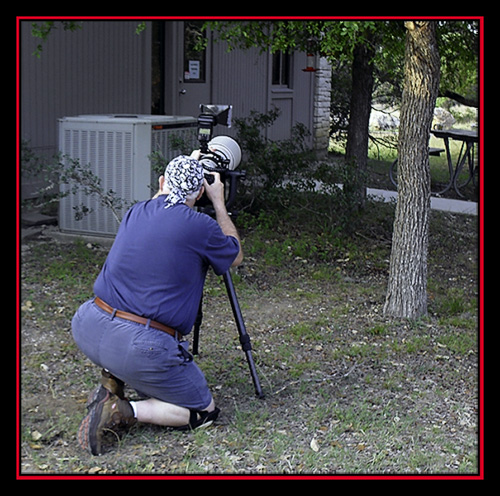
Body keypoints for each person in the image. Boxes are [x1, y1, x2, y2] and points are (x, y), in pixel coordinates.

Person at [72, 151, 243, 455]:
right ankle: (121, 410)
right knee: (203, 412)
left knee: (126, 344)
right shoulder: (199, 227)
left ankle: (112, 377)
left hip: (88, 324)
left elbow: (162, 199)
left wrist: (185, 162)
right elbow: (235, 256)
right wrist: (219, 202)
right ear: (201, 191)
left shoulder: (138, 211)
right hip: (139, 344)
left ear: (162, 182)